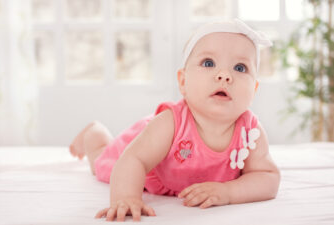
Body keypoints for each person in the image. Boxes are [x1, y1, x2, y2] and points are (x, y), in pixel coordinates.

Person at [69, 19, 281, 222]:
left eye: (240, 68)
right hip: (146, 154)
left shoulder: (250, 132)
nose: (224, 75)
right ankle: (94, 134)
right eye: (209, 63)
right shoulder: (170, 123)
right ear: (183, 81)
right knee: (101, 165)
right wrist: (126, 197)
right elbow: (134, 160)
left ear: (254, 90)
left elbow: (267, 177)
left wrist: (228, 191)